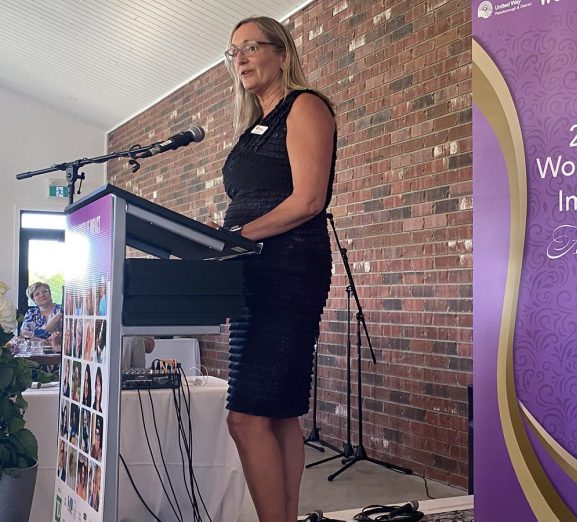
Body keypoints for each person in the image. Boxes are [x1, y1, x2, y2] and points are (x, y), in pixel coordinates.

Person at [217, 16, 335, 522]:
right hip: (251, 273)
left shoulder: (305, 106)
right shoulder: (252, 128)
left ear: (282, 54)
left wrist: (238, 236)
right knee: (281, 414)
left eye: (251, 47)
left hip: (288, 271)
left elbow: (308, 200)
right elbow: (252, 199)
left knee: (246, 417)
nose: (240, 58)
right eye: (233, 52)